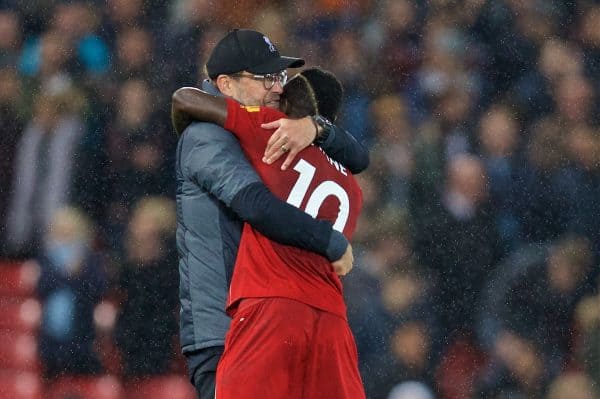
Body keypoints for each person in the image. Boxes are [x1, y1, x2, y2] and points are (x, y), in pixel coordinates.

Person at [171, 29, 369, 399]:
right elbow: (256, 205)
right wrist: (328, 241)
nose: (277, 88)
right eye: (266, 79)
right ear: (226, 84)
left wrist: (315, 127)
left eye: (278, 78)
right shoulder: (205, 137)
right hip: (225, 327)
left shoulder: (267, 130)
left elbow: (359, 157)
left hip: (264, 313)